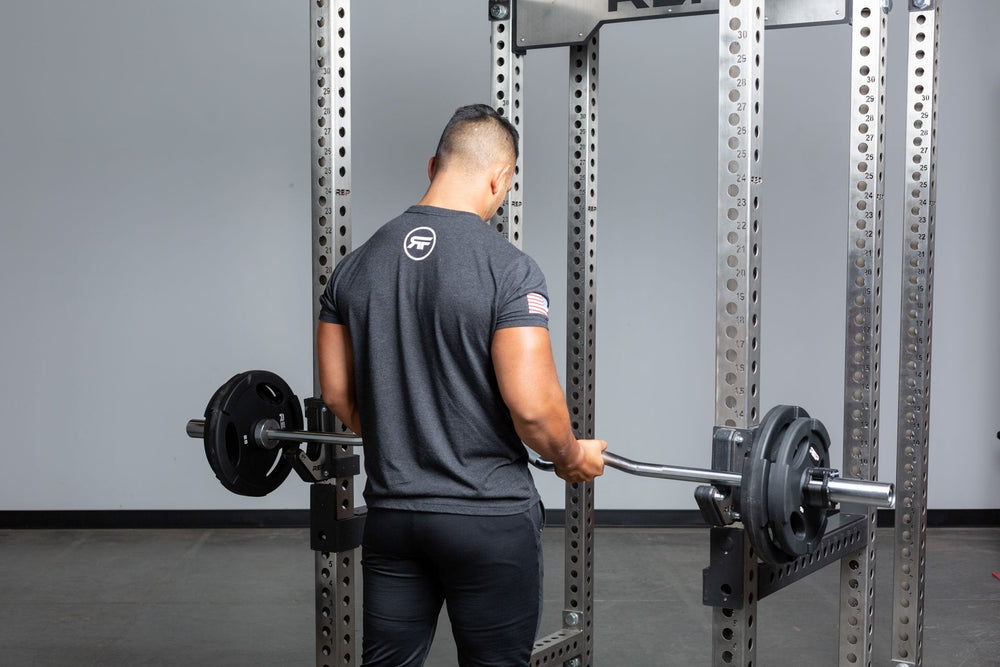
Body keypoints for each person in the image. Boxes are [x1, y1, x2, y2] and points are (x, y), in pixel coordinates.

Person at [316, 103, 607, 667]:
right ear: (502, 178)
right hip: (488, 516)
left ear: (433, 165)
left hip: (395, 516)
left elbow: (335, 394)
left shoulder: (353, 268)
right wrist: (571, 457)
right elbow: (534, 413)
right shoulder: (510, 269)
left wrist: (408, 440)